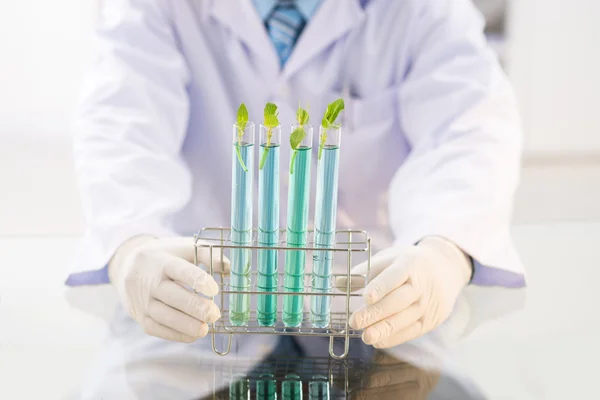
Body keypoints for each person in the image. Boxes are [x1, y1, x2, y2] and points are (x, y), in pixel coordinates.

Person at [68, 0, 526, 394]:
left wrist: (445, 250)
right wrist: (131, 247)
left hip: (369, 307)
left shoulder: (419, 10)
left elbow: (469, 130)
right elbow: (121, 127)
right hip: (200, 310)